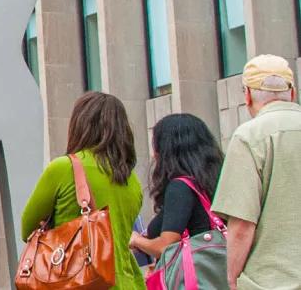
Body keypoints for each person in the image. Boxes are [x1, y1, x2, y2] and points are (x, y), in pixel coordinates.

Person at [21, 92, 145, 290]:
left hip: (79, 281)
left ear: (79, 125)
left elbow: (27, 229)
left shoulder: (63, 168)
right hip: (128, 282)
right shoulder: (132, 180)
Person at [211, 54, 300, 290]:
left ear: (247, 96)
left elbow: (241, 226)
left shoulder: (248, 137)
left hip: (271, 281)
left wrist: (232, 278)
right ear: (293, 93)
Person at [128, 113, 224, 260]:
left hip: (195, 278)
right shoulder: (216, 181)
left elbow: (165, 247)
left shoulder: (180, 187)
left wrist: (136, 240)